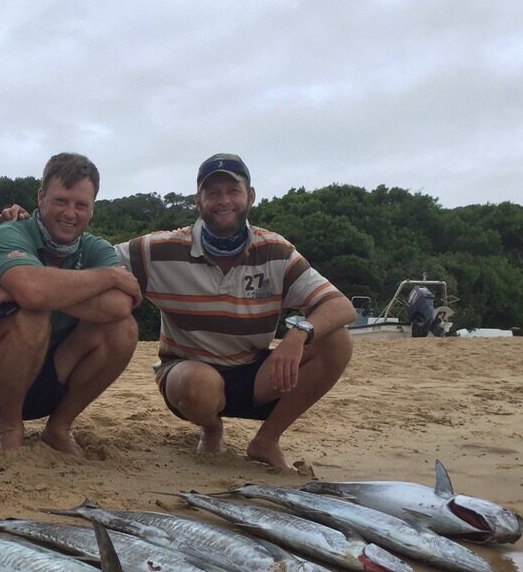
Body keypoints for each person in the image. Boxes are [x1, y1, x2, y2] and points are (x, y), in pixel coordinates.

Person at [117, 153, 355, 469]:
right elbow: (98, 259)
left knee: (338, 341)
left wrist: (299, 333)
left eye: (233, 191)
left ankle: (266, 441)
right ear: (198, 200)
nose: (223, 200)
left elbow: (340, 305)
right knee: (197, 384)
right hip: (188, 373)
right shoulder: (160, 250)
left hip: (254, 371)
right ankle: (212, 428)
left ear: (250, 197)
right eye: (213, 192)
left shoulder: (276, 251)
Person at [0, 152, 141, 455]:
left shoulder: (95, 248)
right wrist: (108, 277)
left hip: (49, 376)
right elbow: (33, 294)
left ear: (92, 210)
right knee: (32, 315)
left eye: (81, 205)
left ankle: (59, 427)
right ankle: (10, 428)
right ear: (41, 198)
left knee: (124, 328)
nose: (70, 213)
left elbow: (119, 307)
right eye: (61, 201)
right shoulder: (10, 233)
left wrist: (21, 292)